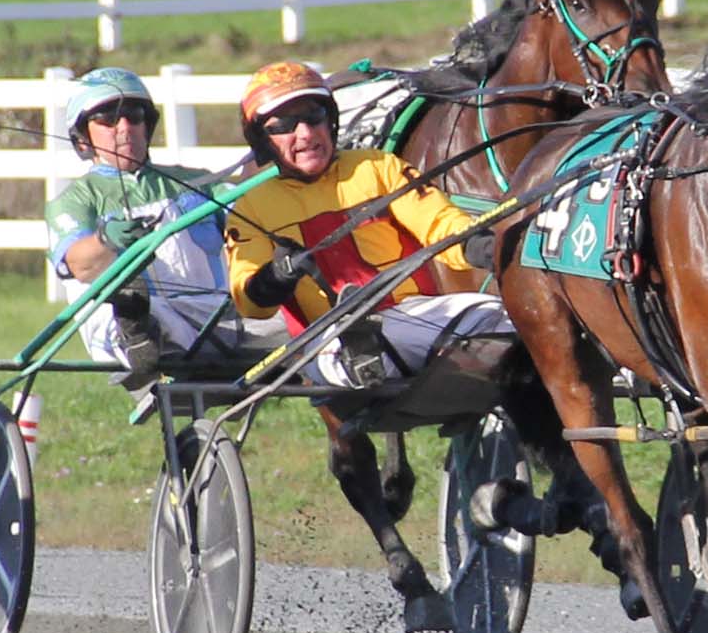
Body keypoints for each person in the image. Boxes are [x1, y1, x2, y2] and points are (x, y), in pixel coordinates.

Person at [223, 61, 507, 389]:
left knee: (493, 314)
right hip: (324, 337)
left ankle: (380, 353)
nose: (305, 133)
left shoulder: (379, 167)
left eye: (313, 116)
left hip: (413, 317)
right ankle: (363, 349)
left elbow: (439, 223)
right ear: (262, 141)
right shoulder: (251, 208)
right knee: (339, 345)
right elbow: (249, 302)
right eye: (284, 124)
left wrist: (485, 246)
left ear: (330, 121)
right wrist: (275, 277)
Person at [45, 67, 253, 387]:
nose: (125, 127)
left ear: (148, 125)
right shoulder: (74, 201)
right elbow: (79, 264)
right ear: (82, 138)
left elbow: (250, 206)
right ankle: (138, 330)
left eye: (134, 115)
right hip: (122, 325)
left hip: (213, 317)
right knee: (137, 306)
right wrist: (106, 240)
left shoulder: (196, 182)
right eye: (108, 119)